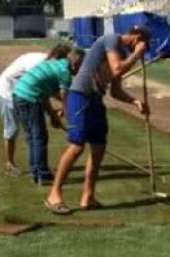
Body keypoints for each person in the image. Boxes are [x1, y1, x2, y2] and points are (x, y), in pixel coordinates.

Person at [45, 26, 150, 214]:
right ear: (137, 38)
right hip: (80, 96)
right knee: (77, 146)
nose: (145, 50)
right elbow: (117, 69)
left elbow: (115, 90)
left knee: (99, 147)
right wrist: (137, 54)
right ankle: (54, 194)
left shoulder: (122, 54)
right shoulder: (111, 39)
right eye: (145, 44)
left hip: (95, 99)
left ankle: (88, 196)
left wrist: (135, 102)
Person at [0, 44, 72, 176]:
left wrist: (55, 113)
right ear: (58, 57)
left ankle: (37, 169)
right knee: (15, 130)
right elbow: (40, 93)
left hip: (22, 94)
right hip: (7, 91)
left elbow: (47, 92)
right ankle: (11, 164)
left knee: (34, 134)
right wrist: (53, 115)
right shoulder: (38, 63)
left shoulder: (48, 63)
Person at [12, 49, 84, 185]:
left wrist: (53, 117)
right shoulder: (65, 73)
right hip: (29, 98)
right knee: (39, 137)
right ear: (76, 64)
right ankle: (42, 174)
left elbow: (44, 96)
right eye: (81, 66)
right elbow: (65, 101)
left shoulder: (57, 63)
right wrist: (72, 125)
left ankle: (37, 173)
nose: (80, 71)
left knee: (32, 137)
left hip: (19, 95)